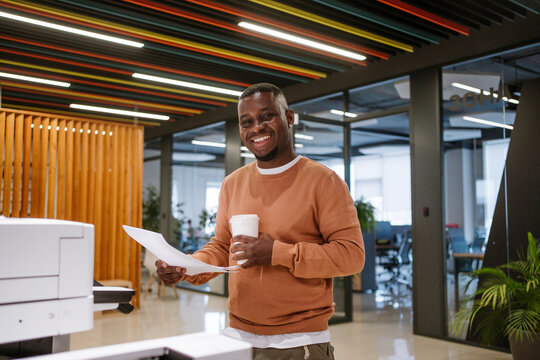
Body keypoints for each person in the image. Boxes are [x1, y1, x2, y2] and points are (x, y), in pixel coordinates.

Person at [156, 83, 365, 360]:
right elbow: (221, 246)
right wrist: (187, 266)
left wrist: (278, 253)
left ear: (288, 118)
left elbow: (352, 256)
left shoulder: (323, 181)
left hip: (298, 342)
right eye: (247, 122)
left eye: (267, 116)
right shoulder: (232, 184)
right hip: (238, 337)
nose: (256, 128)